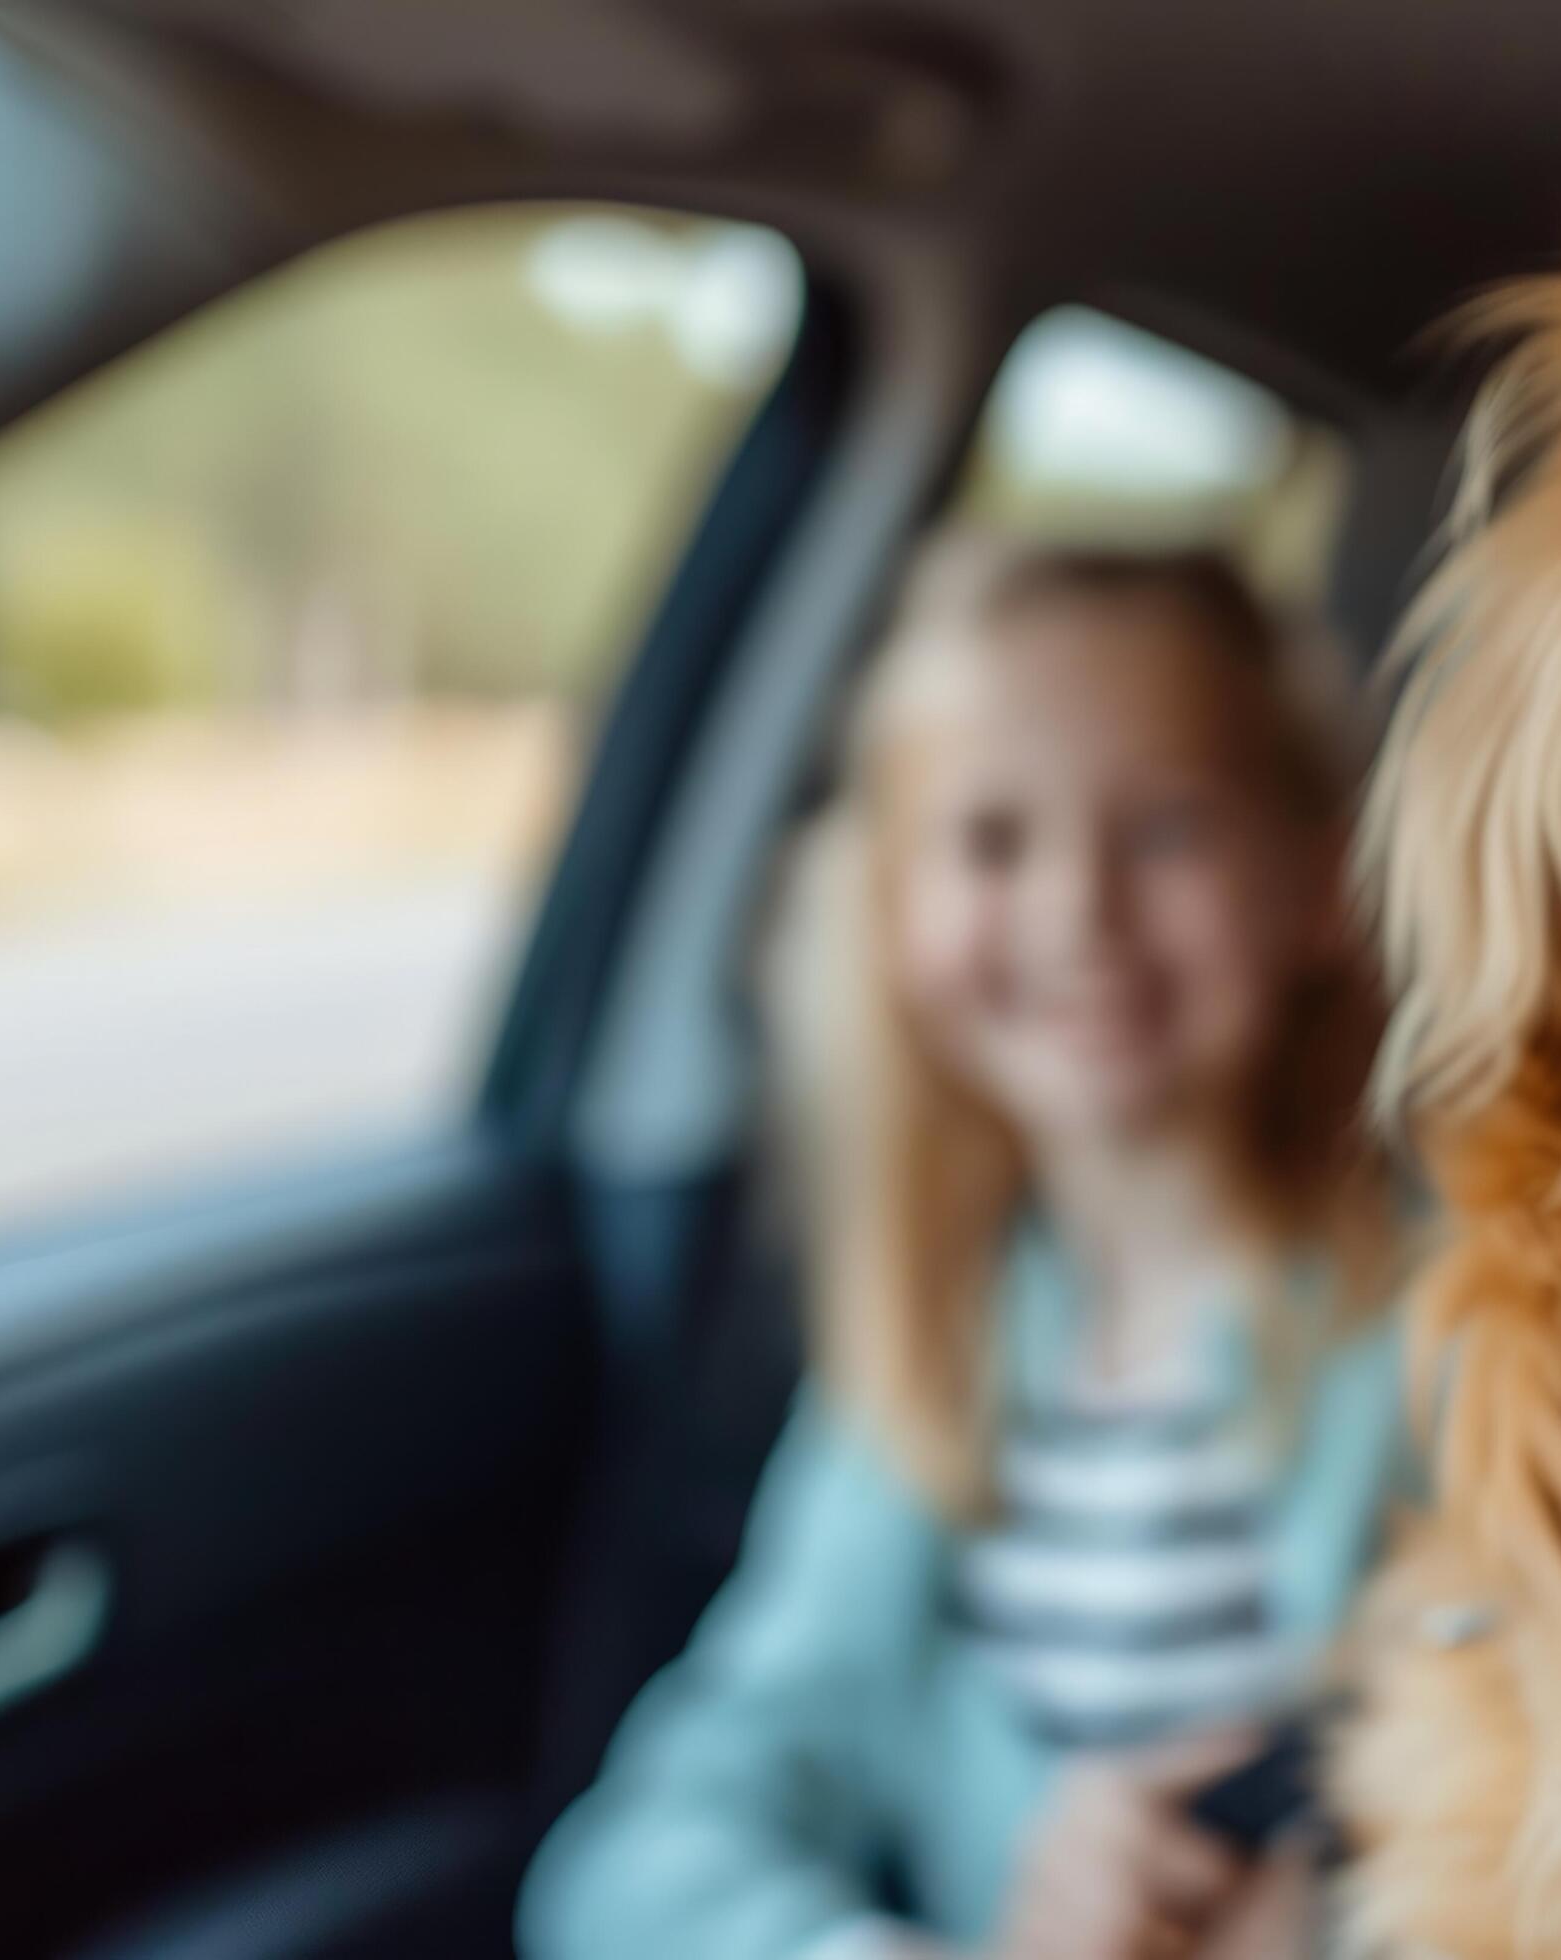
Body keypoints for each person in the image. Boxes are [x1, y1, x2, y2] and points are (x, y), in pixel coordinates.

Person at [520, 536, 1411, 1960]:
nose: (1076, 912)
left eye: (1167, 827)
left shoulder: (1451, 1321)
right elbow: (629, 1862)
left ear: (1319, 879)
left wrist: (1348, 1909)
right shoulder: (924, 1360)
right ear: (891, 914)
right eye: (992, 842)